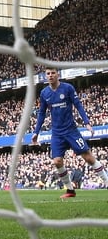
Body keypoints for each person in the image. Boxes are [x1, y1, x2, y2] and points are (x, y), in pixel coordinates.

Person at [31, 67, 108, 198]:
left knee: (89, 158)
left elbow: (78, 105)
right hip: (56, 133)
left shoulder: (68, 88)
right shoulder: (44, 93)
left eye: (53, 73)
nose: (50, 76)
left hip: (71, 131)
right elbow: (42, 113)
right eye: (48, 74)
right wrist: (36, 132)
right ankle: (70, 190)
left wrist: (87, 122)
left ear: (58, 74)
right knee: (57, 162)